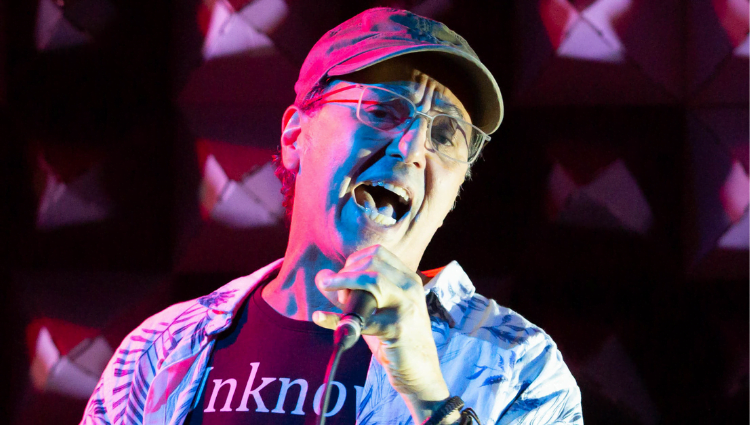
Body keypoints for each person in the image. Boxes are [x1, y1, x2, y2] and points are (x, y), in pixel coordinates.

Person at [81, 7, 582, 425]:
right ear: (295, 135)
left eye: (445, 135)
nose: (411, 149)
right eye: (382, 111)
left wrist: (432, 401)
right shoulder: (159, 349)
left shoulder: (521, 367)